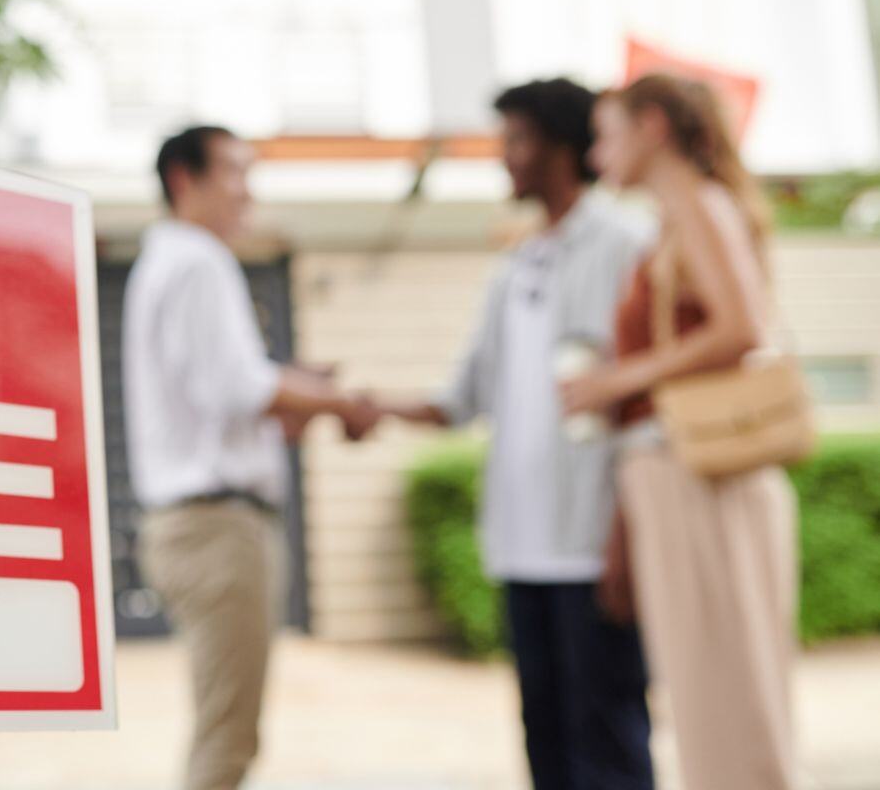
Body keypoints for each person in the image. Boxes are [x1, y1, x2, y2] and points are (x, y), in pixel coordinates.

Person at [372, 80, 656, 790]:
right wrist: (363, 404)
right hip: (521, 548)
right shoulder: (514, 267)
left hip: (594, 545)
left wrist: (625, 534)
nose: (506, 158)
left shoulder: (626, 243)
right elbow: (460, 400)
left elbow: (645, 402)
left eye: (518, 140)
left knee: (610, 744)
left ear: (565, 148)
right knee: (547, 745)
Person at [124, 125, 379, 790]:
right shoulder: (197, 261)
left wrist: (297, 393)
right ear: (185, 179)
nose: (247, 191)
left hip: (201, 525)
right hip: (218, 529)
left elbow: (225, 393)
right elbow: (240, 388)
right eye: (234, 172)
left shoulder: (171, 262)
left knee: (226, 728)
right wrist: (335, 400)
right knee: (228, 738)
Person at [562, 73, 799, 790]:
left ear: (653, 126)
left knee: (731, 697)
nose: (598, 158)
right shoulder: (672, 219)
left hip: (701, 474)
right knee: (708, 699)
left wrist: (616, 381)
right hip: (670, 475)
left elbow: (742, 327)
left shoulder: (697, 204)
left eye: (606, 136)